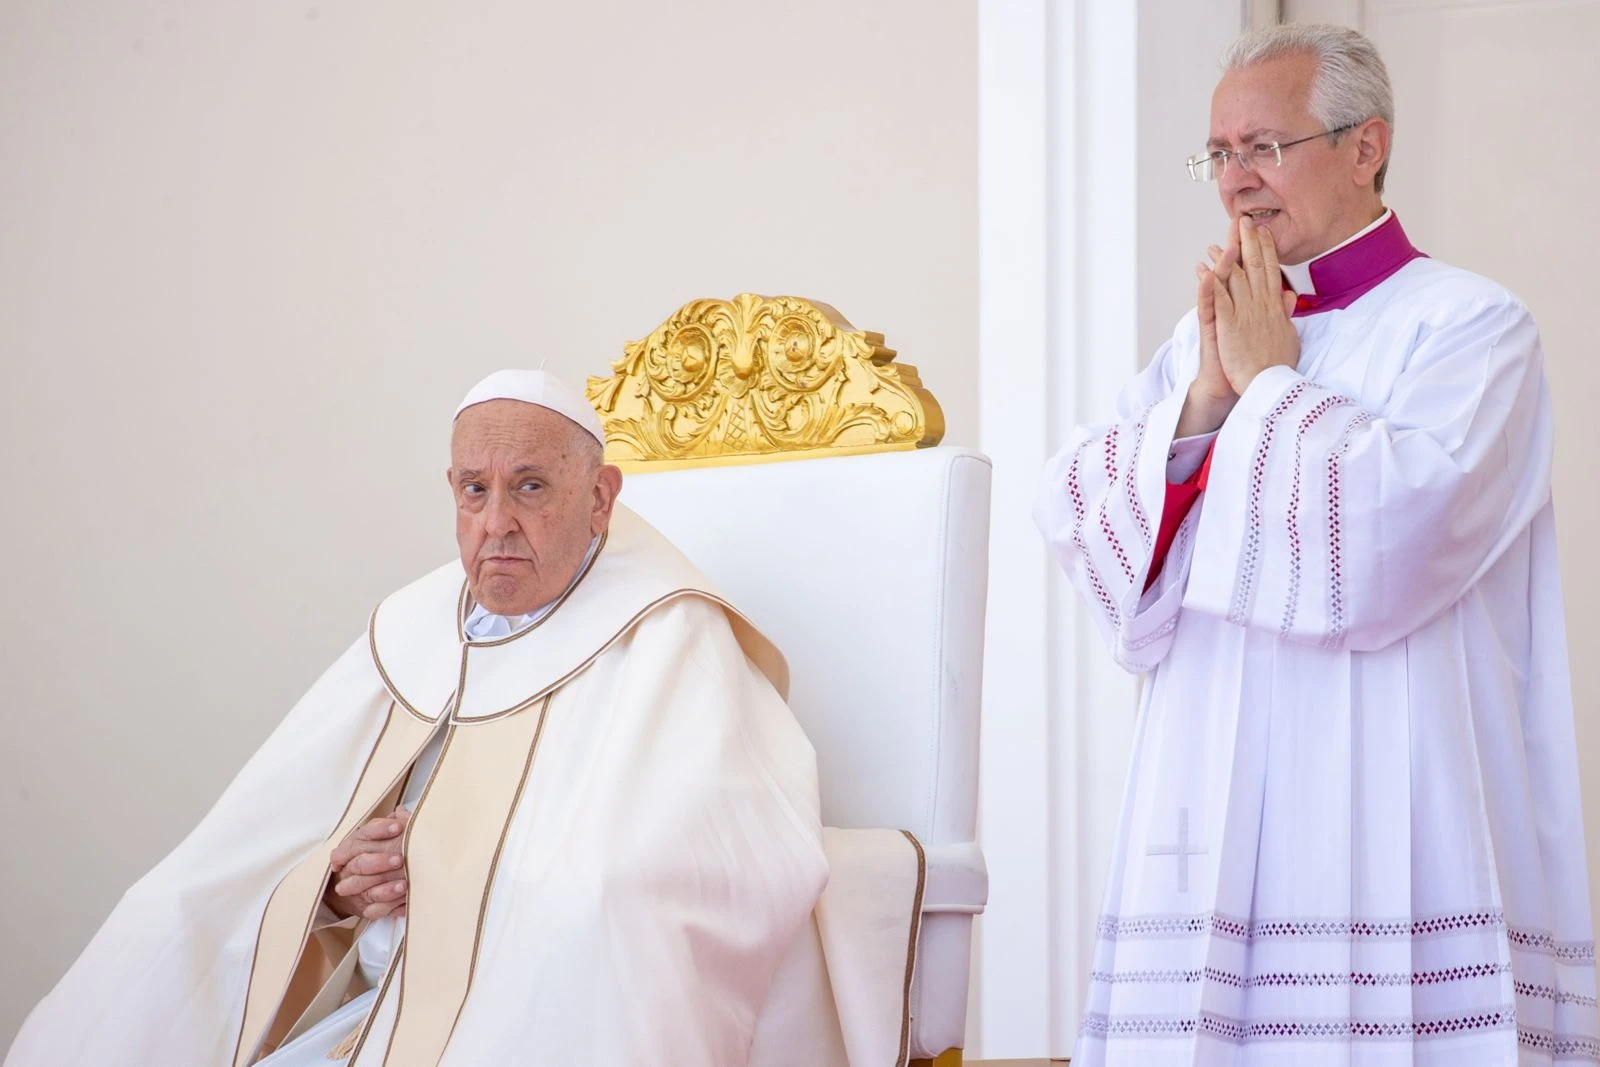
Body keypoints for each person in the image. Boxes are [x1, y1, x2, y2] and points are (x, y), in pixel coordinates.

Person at [1035, 23, 1599, 1065]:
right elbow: (1081, 513)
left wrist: (1267, 388)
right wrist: (1202, 399)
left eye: (1262, 147)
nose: (1233, 182)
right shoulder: (1198, 339)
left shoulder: (1474, 327)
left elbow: (1400, 536)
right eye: (1217, 154)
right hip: (1209, 776)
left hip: (1396, 762)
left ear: (1363, 145)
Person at [6, 369, 830, 1066]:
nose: (496, 523)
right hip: (379, 997)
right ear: (453, 490)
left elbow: (699, 862)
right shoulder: (414, 625)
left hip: (513, 1002)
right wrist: (338, 879)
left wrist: (454, 863)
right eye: (476, 490)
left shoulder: (670, 633)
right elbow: (273, 834)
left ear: (601, 498)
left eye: (531, 487)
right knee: (163, 910)